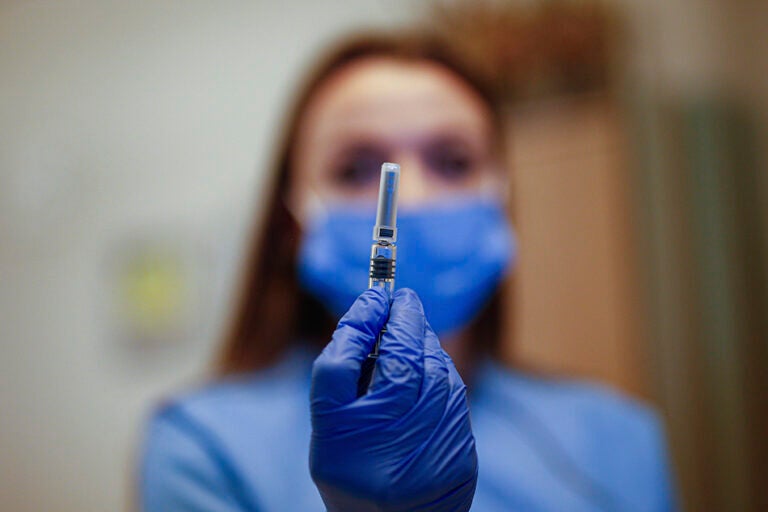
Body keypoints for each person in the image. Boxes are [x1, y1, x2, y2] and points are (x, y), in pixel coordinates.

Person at [138, 31, 678, 511]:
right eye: (353, 168)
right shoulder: (206, 448)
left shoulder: (617, 441)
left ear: (504, 201)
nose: (411, 199)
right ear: (291, 224)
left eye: (454, 161)